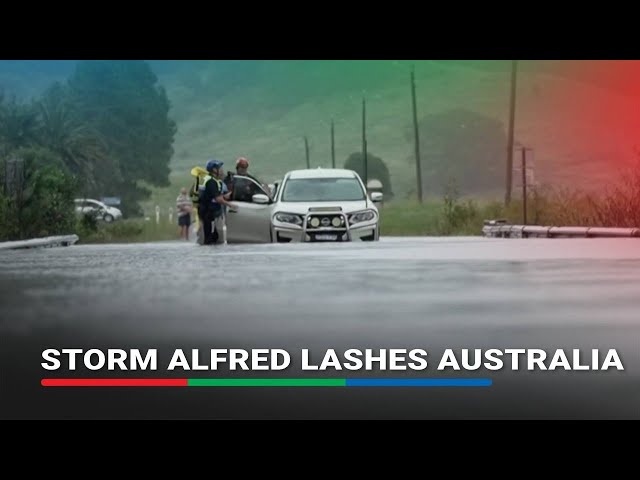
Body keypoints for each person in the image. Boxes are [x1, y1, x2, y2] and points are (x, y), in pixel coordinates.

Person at [198, 159, 237, 245]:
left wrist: (227, 196)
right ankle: (209, 255)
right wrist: (230, 205)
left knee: (214, 235)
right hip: (208, 213)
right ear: (214, 170)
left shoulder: (214, 181)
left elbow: (215, 196)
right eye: (220, 168)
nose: (222, 170)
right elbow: (218, 199)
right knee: (210, 237)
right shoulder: (211, 182)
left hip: (209, 212)